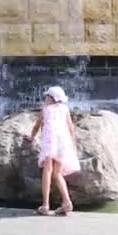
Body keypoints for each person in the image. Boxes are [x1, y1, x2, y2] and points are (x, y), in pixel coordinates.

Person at [25, 86, 80, 216]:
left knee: (47, 171)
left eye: (47, 97)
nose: (45, 99)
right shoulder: (65, 109)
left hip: (50, 143)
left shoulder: (46, 110)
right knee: (57, 173)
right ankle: (67, 202)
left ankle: (45, 205)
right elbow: (71, 127)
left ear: (51, 98)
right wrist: (73, 144)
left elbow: (37, 126)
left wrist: (31, 137)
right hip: (62, 144)